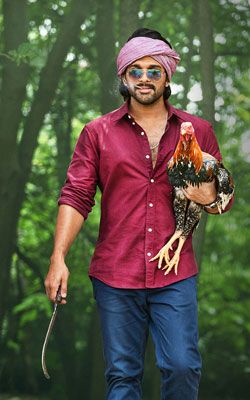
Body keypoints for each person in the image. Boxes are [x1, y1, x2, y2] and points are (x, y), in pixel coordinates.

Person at [45, 28, 233, 399]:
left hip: (175, 273)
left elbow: (221, 201)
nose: (144, 78)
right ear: (123, 75)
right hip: (116, 272)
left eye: (153, 70)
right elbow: (77, 195)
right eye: (136, 70)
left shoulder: (198, 131)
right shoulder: (97, 133)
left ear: (167, 76)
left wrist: (210, 195)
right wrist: (58, 258)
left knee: (182, 367)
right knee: (122, 375)